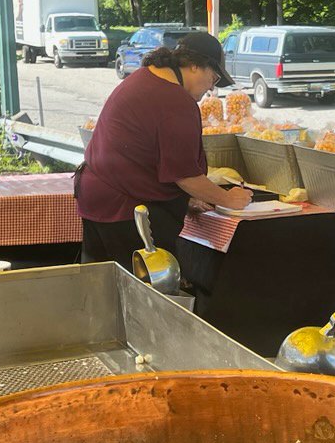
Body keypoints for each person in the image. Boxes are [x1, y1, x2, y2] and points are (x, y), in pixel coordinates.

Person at [76, 31, 251, 268]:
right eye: (215, 77)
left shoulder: (144, 77)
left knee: (104, 289)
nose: (211, 87)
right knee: (145, 291)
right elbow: (186, 176)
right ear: (195, 67)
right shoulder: (175, 100)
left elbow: (143, 155)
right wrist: (227, 199)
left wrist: (188, 199)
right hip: (125, 208)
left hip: (97, 196)